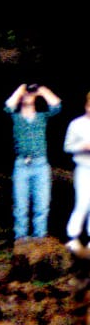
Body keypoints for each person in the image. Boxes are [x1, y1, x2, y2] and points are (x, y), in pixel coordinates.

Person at [6, 79, 61, 242]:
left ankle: (40, 239)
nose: (28, 95)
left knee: (42, 205)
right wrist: (20, 89)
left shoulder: (42, 116)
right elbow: (8, 106)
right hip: (22, 165)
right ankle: (21, 239)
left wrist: (42, 90)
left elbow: (57, 105)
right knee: (20, 206)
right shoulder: (15, 117)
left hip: (40, 164)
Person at [65, 91, 90, 253]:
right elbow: (67, 147)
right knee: (82, 203)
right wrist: (82, 146)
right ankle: (72, 237)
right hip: (83, 168)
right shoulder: (76, 124)